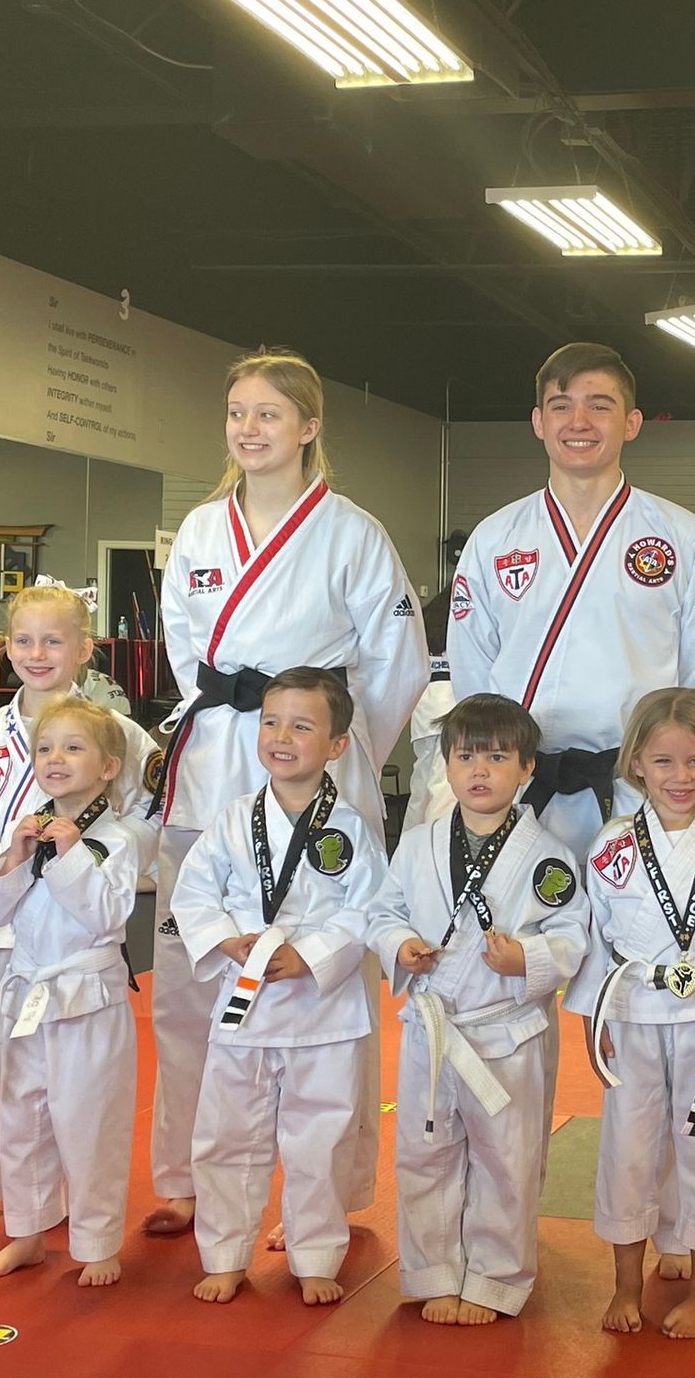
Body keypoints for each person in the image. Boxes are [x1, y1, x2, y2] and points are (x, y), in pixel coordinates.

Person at [143, 349, 426, 1240]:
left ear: (308, 427)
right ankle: (191, 1180)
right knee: (198, 976)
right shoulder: (196, 529)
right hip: (216, 755)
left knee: (324, 980)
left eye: (269, 413)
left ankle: (325, 1194)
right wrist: (239, 716)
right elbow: (188, 652)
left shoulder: (351, 532)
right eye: (237, 413)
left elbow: (396, 666)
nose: (249, 429)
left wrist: (337, 746)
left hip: (314, 760)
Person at [446, 342, 695, 859]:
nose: (578, 421)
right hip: (522, 782)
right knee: (523, 934)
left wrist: (667, 759)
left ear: (631, 422)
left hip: (637, 785)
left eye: (599, 405)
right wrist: (501, 754)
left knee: (635, 931)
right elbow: (473, 670)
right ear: (538, 421)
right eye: (561, 406)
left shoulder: (680, 536)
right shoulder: (495, 538)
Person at [354, 692, 585, 1325]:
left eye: (497, 757)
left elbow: (571, 932)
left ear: (527, 769)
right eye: (465, 757)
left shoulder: (549, 855)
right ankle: (431, 1270)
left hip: (503, 1033)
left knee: (506, 1160)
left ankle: (495, 1277)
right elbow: (384, 911)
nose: (479, 771)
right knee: (424, 1154)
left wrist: (529, 960)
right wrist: (400, 945)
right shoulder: (419, 843)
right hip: (434, 1026)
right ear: (446, 767)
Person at [0, 580, 159, 1218]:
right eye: (25, 640)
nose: (39, 653)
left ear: (85, 648)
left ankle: (70, 1203)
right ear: (6, 648)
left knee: (73, 1081)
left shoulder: (116, 731)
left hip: (73, 931)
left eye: (54, 641)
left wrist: (94, 857)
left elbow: (148, 817)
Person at [168, 668, 385, 1306]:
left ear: (337, 744)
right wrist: (229, 939)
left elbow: (368, 910)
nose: (281, 736)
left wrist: (312, 954)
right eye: (270, 722)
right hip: (246, 1002)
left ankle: (316, 1252)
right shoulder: (233, 818)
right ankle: (225, 1253)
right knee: (226, 1134)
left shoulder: (350, 827)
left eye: (302, 725)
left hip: (323, 1008)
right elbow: (195, 892)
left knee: (321, 1135)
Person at [567, 688, 695, 1340]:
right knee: (628, 1149)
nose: (679, 777)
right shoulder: (612, 846)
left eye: (694, 762)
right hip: (631, 1012)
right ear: (635, 765)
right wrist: (591, 1016)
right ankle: (627, 1283)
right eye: (663, 762)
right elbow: (595, 937)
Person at [0, 696, 142, 1289]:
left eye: (73, 748)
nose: (55, 759)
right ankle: (26, 1233)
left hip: (86, 997)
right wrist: (13, 858)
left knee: (87, 1120)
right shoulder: (28, 825)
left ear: (109, 766)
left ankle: (96, 1241)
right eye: (45, 748)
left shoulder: (116, 838)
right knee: (22, 1118)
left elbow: (107, 915)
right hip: (27, 994)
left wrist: (71, 854)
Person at [401, 586, 456, 833]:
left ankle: (407, 851)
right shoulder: (460, 623)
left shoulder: (423, 624)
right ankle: (434, 851)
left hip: (423, 708)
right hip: (452, 705)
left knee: (420, 790)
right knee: (443, 789)